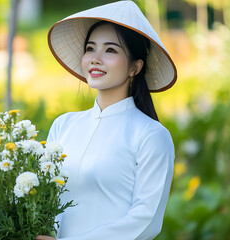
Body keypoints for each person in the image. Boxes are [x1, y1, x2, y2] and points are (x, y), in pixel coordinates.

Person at [36, 1, 177, 239]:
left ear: (135, 67)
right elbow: (40, 198)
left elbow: (146, 220)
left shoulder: (151, 135)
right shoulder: (63, 126)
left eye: (110, 50)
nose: (95, 58)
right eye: (90, 48)